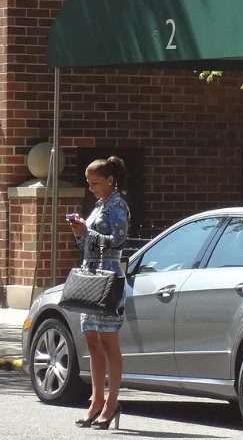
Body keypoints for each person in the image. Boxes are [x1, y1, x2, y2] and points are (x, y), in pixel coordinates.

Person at [67, 156, 130, 430]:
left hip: (109, 279)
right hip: (91, 277)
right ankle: (96, 400)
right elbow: (88, 244)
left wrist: (88, 232)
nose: (90, 187)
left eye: (95, 183)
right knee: (92, 340)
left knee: (108, 342)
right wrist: (80, 232)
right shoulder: (99, 205)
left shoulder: (118, 205)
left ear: (110, 181)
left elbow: (117, 240)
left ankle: (112, 402)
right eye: (88, 183)